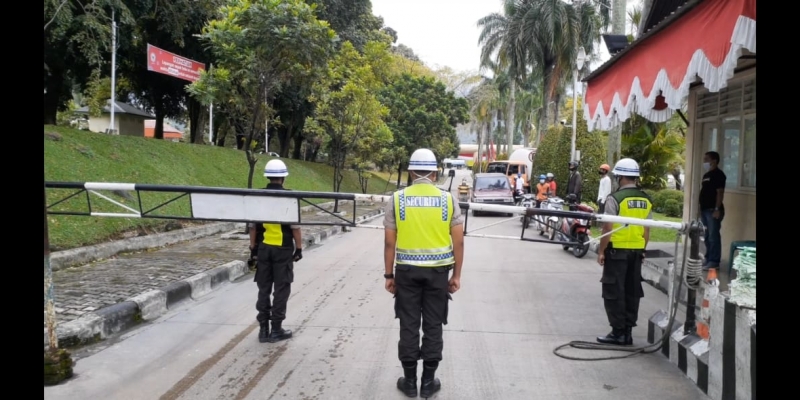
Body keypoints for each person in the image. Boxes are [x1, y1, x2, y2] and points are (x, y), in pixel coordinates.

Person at [384, 148, 465, 398]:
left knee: (408, 323)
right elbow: (459, 242)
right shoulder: (448, 200)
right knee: (433, 324)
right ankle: (428, 383)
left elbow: (389, 243)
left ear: (410, 172)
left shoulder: (397, 199)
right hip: (438, 273)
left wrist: (389, 276)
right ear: (435, 173)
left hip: (406, 272)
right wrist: (456, 276)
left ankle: (409, 382)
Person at [596, 158, 653, 346]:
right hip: (636, 252)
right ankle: (627, 332)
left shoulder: (615, 198)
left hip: (617, 252)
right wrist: (643, 249)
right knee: (631, 291)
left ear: (619, 177)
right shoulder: (646, 199)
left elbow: (608, 228)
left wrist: (601, 251)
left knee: (614, 291)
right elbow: (647, 230)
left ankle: (618, 332)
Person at [250, 159, 303, 344]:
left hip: (264, 249)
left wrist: (253, 248)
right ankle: (276, 329)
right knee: (281, 289)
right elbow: (295, 228)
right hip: (283, 249)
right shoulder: (289, 197)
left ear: (268, 177)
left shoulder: (258, 196)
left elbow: (253, 227)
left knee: (264, 288)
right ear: (283, 178)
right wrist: (299, 248)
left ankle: (263, 330)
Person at [699, 151, 726, 270]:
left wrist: (717, 209)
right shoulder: (706, 175)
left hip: (713, 210)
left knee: (713, 236)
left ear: (714, 161)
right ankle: (708, 258)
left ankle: (714, 261)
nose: (704, 162)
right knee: (706, 236)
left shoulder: (719, 175)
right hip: (704, 210)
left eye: (706, 159)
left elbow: (720, 192)